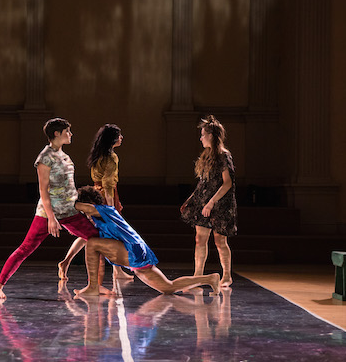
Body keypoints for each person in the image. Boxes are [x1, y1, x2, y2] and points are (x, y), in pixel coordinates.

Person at [0, 118, 99, 301]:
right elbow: (43, 189)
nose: (71, 134)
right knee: (26, 247)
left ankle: (92, 283)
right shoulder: (44, 157)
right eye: (67, 131)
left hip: (70, 211)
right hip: (48, 213)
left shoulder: (65, 156)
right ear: (57, 133)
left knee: (96, 238)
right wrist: (51, 218)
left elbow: (69, 186)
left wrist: (81, 206)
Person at [73, 186, 221, 296]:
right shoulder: (99, 218)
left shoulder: (104, 209)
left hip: (133, 250)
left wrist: (57, 198)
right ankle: (210, 279)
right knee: (168, 288)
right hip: (137, 253)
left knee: (93, 243)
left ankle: (93, 286)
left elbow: (80, 206)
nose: (84, 214)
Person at [58, 123, 132, 281]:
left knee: (89, 234)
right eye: (119, 135)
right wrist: (111, 208)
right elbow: (108, 183)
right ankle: (117, 271)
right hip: (105, 196)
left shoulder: (98, 154)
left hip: (95, 194)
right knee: (111, 233)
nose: (121, 138)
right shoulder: (111, 157)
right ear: (112, 138)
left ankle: (66, 262)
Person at [180, 115, 237, 287]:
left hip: (220, 204)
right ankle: (198, 276)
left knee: (220, 241)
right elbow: (204, 182)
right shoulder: (206, 156)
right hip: (204, 202)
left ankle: (226, 275)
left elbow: (227, 183)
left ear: (211, 135)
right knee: (200, 239)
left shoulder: (223, 156)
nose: (201, 138)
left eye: (203, 134)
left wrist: (211, 202)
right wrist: (192, 199)